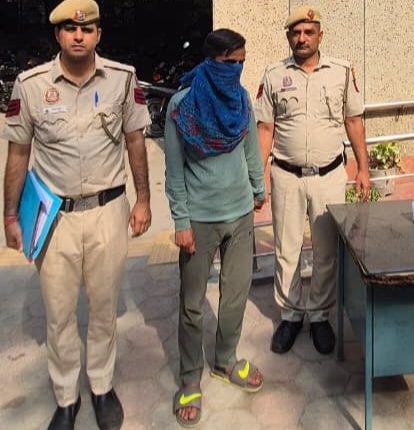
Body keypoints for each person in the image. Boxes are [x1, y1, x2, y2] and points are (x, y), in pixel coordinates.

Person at [1, 1, 151, 429]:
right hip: (55, 220)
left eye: (87, 28)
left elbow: (135, 140)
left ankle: (101, 387)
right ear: (58, 35)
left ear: (99, 33)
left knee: (103, 309)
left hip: (108, 212)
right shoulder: (30, 86)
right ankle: (66, 396)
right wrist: (10, 216)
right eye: (70, 29)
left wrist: (143, 199)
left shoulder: (122, 79)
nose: (79, 35)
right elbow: (18, 153)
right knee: (59, 313)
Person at [164, 28, 265, 428]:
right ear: (210, 61)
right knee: (192, 305)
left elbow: (251, 148)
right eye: (229, 62)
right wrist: (181, 221)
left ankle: (225, 360)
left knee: (235, 294)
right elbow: (174, 170)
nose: (236, 70)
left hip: (240, 215)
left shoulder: (241, 100)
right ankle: (190, 378)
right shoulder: (182, 105)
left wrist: (258, 188)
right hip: (200, 221)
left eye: (241, 62)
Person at [255, 5, 370, 355]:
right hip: (286, 176)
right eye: (295, 33)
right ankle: (290, 315)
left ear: (320, 35)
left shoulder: (342, 72)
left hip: (329, 176)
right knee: (286, 249)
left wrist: (363, 169)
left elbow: (354, 121)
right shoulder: (273, 74)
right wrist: (259, 177)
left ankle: (320, 315)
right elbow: (265, 128)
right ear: (288, 37)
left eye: (308, 32)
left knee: (326, 250)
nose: (302, 38)